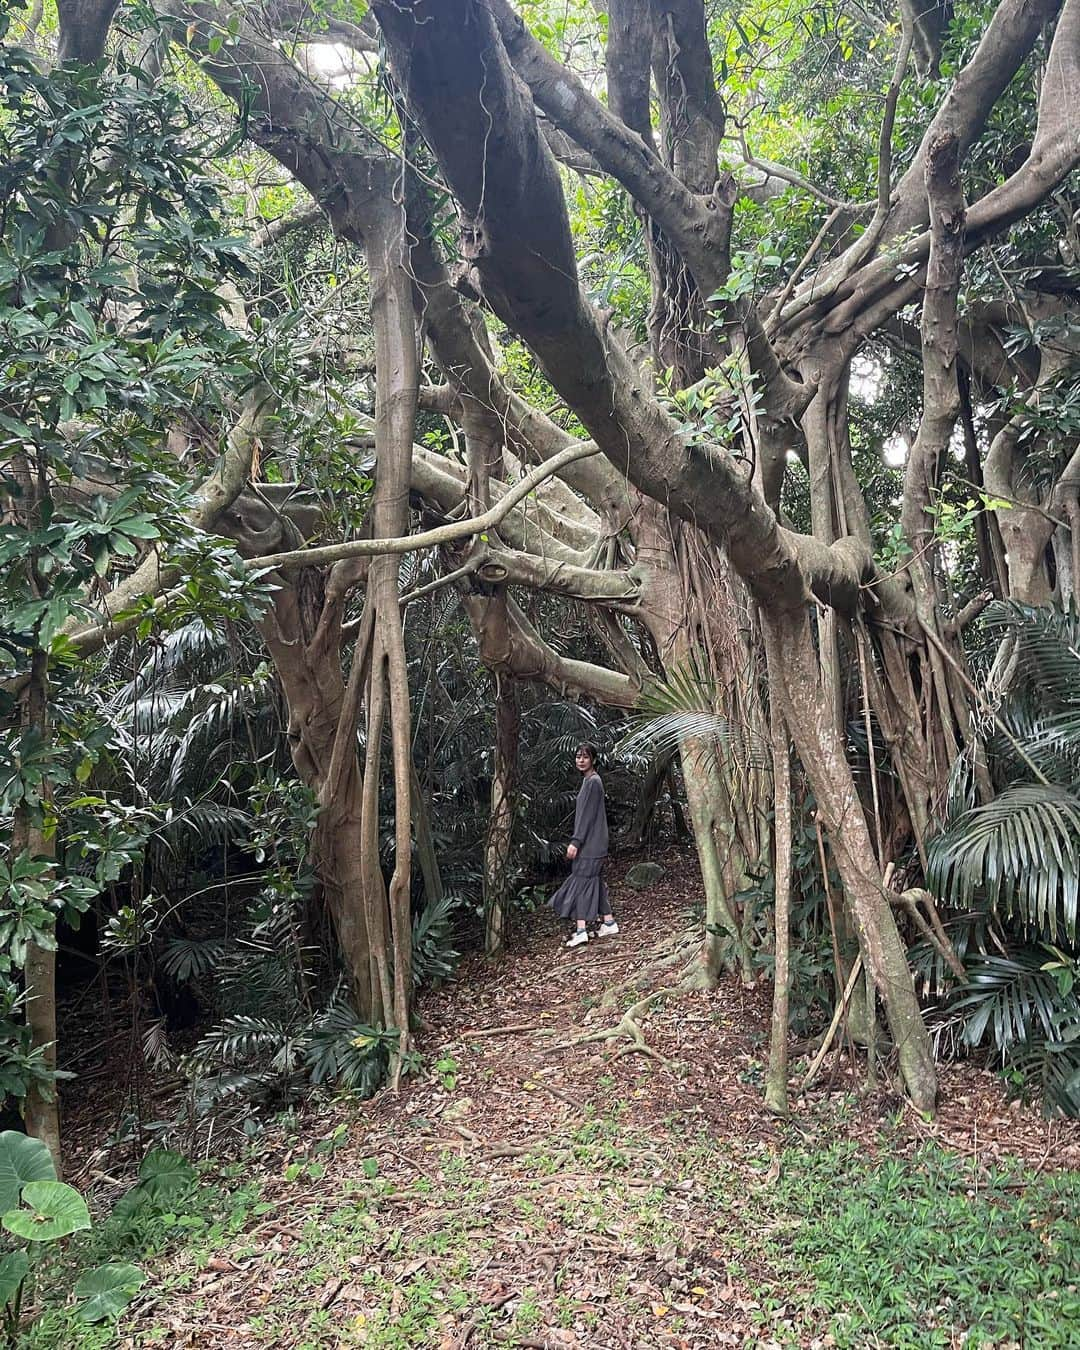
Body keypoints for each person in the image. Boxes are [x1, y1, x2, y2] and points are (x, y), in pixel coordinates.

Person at [549, 743, 619, 948]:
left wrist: (576, 842)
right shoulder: (589, 781)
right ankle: (609, 922)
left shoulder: (593, 782)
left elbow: (586, 817)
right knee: (593, 880)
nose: (580, 760)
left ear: (594, 760)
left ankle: (581, 931)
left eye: (585, 757)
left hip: (590, 844)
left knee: (580, 881)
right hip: (594, 843)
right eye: (578, 757)